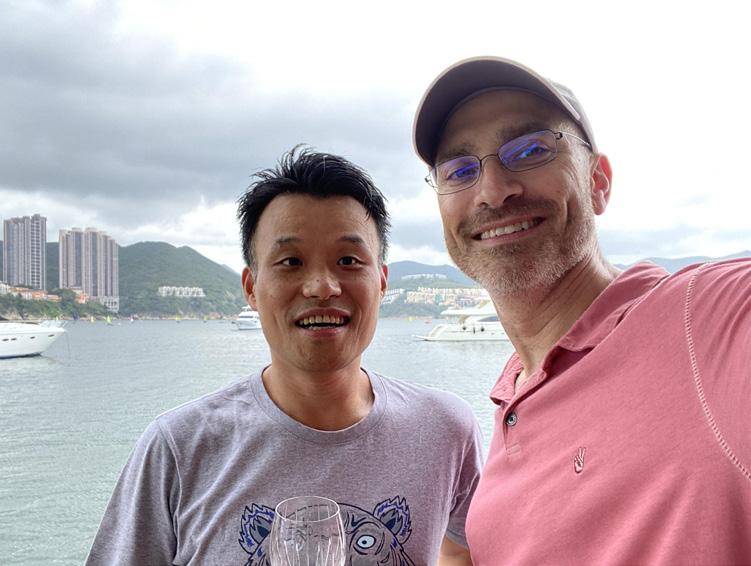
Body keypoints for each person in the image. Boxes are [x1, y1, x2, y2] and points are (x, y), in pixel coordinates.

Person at [413, 57, 751, 564]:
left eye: (530, 150)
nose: (493, 191)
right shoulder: (512, 396)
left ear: (598, 182)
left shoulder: (707, 320)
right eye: (459, 170)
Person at [86, 148, 482, 565]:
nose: (322, 287)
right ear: (251, 288)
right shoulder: (179, 447)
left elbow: (463, 551)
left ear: (381, 282)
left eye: (348, 260)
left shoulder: (445, 429)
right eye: (291, 262)